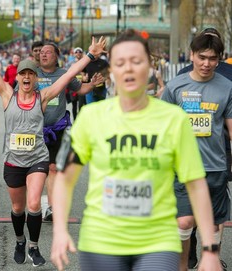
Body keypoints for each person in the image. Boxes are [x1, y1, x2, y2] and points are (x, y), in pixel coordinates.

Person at [50, 29, 222, 271]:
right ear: (112, 71)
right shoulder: (91, 117)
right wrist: (59, 230)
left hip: (158, 242)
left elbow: (196, 184)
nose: (129, 68)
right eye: (120, 62)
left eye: (136, 61)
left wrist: (210, 249)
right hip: (101, 242)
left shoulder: (174, 119)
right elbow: (64, 179)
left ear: (149, 66)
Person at [0, 19, 106, 267]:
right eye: (23, 73)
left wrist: (90, 55)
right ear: (17, 78)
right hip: (13, 160)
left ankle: (34, 247)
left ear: (35, 79)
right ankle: (19, 241)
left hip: (37, 158)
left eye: (30, 74)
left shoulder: (43, 96)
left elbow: (69, 75)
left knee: (34, 203)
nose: (26, 77)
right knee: (18, 208)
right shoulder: (6, 94)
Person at [162, 31, 232, 271]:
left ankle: (208, 264)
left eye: (213, 59)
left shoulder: (227, 87)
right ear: (191, 55)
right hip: (183, 166)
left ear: (219, 59)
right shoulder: (175, 86)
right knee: (184, 221)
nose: (206, 63)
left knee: (211, 226)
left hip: (215, 168)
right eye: (202, 57)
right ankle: (181, 265)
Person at [38, 42, 104, 222]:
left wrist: (91, 84)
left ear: (56, 56)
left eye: (48, 52)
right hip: (35, 129)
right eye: (42, 52)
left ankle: (51, 207)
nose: (44, 55)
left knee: (52, 168)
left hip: (57, 128)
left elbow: (80, 89)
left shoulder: (63, 74)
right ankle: (35, 204)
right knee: (38, 170)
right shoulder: (31, 74)